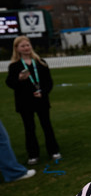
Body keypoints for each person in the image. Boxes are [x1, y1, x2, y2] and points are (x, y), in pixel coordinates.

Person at [5, 36, 61, 164]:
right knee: (29, 128)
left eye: (28, 45)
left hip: (41, 100)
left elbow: (49, 82)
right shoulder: (15, 66)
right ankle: (33, 154)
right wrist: (19, 78)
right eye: (23, 46)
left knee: (47, 126)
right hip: (25, 102)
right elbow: (10, 83)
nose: (26, 48)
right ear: (17, 49)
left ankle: (53, 150)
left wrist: (43, 92)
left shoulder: (40, 62)